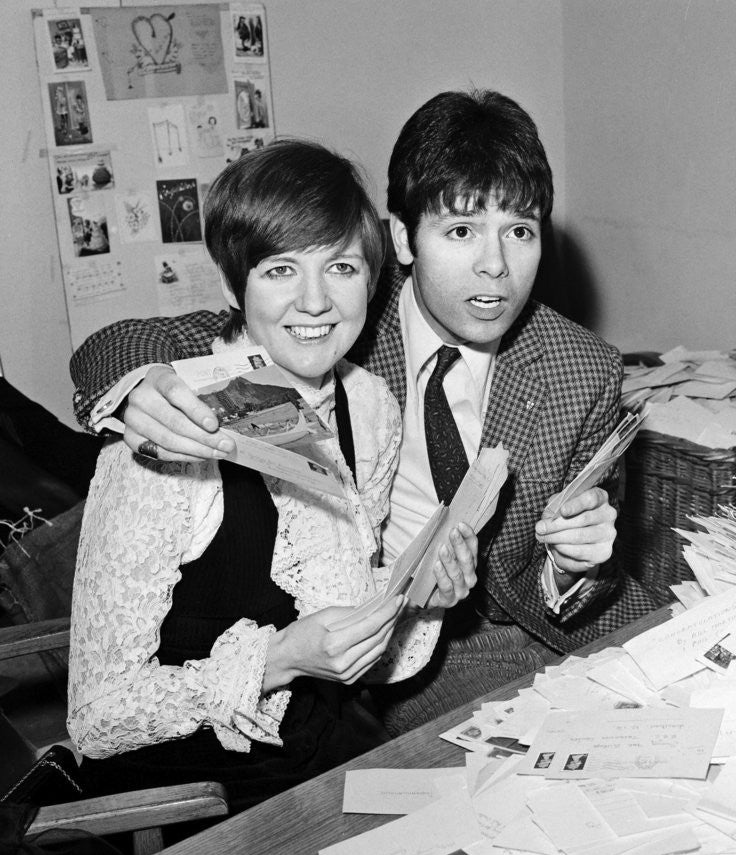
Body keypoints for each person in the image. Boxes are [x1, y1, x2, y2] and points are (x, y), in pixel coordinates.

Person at [69, 89, 660, 731]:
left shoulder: (585, 367)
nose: (495, 267)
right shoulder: (340, 316)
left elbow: (595, 562)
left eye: (520, 231)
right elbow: (147, 339)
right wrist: (135, 386)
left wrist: (574, 566)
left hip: (562, 624)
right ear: (402, 238)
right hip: (420, 652)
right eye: (461, 231)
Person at [67, 140, 477, 813]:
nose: (315, 301)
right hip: (188, 795)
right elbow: (97, 716)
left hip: (316, 752)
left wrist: (420, 596)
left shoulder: (369, 406)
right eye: (281, 269)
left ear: (371, 280)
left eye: (341, 267)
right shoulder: (170, 426)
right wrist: (280, 659)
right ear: (234, 287)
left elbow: (345, 637)